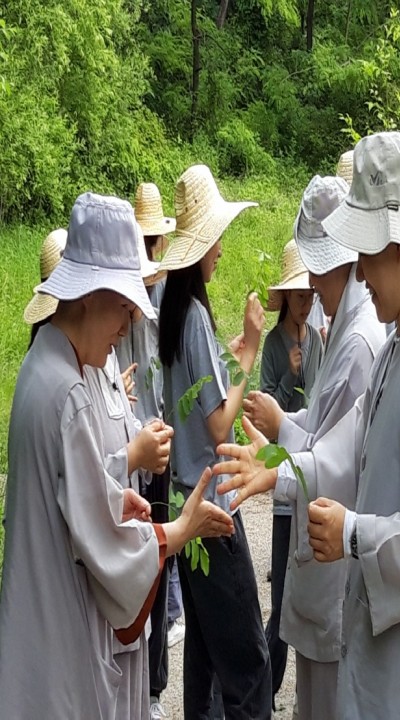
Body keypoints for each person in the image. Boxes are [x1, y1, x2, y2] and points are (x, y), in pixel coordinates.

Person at [214, 132, 400, 719]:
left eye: (364, 255)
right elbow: (347, 447)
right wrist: (277, 470)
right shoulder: (398, 348)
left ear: (398, 246)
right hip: (389, 649)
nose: (358, 274)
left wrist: (354, 533)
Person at [0, 192, 234, 720]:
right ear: (89, 296)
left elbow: (70, 496)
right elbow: (102, 542)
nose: (127, 327)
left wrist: (111, 496)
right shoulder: (69, 393)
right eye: (124, 308)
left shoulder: (44, 369)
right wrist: (180, 530)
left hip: (37, 629)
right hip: (58, 642)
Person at [243, 173, 386, 719]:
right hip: (322, 548)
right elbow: (326, 424)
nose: (312, 286)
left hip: (333, 554)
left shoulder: (359, 340)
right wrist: (283, 426)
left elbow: (339, 459)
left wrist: (277, 450)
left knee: (328, 699)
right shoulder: (344, 324)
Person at [158, 165, 272, 719]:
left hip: (185, 500)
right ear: (201, 245)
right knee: (249, 665)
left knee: (203, 658)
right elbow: (220, 425)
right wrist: (250, 347)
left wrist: (232, 359)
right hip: (215, 506)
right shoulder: (194, 317)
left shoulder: (170, 311)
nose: (222, 250)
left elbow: (196, 400)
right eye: (217, 239)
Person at [118, 182, 180, 720]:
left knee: (158, 563)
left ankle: (154, 686)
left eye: (150, 240)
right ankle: (135, 684)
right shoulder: (116, 311)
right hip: (129, 450)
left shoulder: (158, 300)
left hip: (154, 443)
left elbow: (162, 377)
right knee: (133, 564)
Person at [260, 237, 324, 708]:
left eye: (310, 295)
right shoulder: (272, 345)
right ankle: (265, 689)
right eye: (299, 296)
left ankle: (300, 691)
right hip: (284, 477)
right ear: (286, 298)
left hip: (311, 471)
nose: (306, 304)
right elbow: (266, 406)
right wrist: (287, 375)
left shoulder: (318, 340)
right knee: (281, 596)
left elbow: (320, 403)